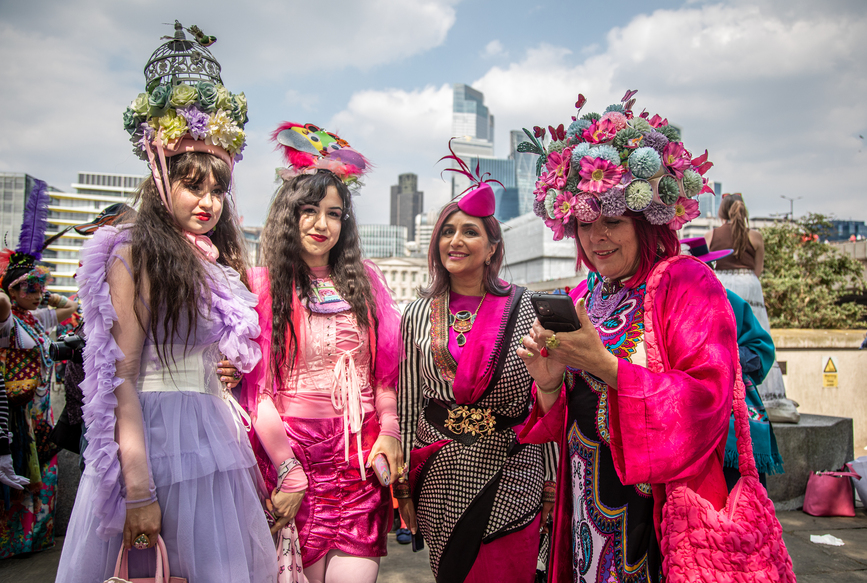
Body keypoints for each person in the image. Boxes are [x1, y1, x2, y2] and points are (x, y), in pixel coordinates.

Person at [55, 24, 278, 582]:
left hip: (211, 435)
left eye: (217, 189)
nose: (207, 201)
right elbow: (122, 376)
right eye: (193, 186)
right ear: (160, 180)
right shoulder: (131, 254)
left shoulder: (209, 258)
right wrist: (137, 490)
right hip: (154, 440)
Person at [517, 92, 739, 582]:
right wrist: (549, 381)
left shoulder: (686, 283)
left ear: (644, 220)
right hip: (585, 506)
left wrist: (606, 366)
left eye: (612, 222)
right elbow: (570, 417)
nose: (597, 238)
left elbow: (708, 401)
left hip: (656, 515)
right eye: (585, 223)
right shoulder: (583, 294)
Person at [222, 122, 403, 583]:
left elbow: (383, 374)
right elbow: (255, 390)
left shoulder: (368, 280)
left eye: (335, 213)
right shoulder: (260, 285)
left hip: (359, 461)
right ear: (289, 215)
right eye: (309, 211)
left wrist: (390, 432)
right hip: (292, 459)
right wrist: (288, 469)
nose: (323, 224)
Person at [395, 145, 558, 583]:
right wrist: (404, 486)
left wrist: (551, 479)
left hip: (513, 468)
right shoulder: (415, 314)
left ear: (492, 248)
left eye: (469, 231)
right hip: (440, 479)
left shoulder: (529, 310)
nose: (455, 240)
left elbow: (545, 400)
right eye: (447, 231)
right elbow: (409, 404)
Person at [0, 178, 79, 558]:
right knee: (16, 474)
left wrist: (36, 280)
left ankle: (36, 539)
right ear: (13, 290)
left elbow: (71, 307)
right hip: (15, 410)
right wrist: (5, 285)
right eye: (31, 285)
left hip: (41, 410)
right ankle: (10, 543)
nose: (39, 289)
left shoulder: (38, 318)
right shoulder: (9, 321)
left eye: (41, 283)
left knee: (45, 472)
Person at [681, 237, 784, 490]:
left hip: (733, 409)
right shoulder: (669, 305)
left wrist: (724, 355)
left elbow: (762, 350)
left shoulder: (731, 301)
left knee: (743, 496)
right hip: (689, 415)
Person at [706, 193, 795, 421]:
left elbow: (704, 268)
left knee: (724, 338)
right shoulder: (755, 236)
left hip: (723, 285)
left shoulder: (711, 235)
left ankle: (727, 394)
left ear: (721, 211)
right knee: (757, 334)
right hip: (750, 284)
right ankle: (768, 396)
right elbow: (758, 269)